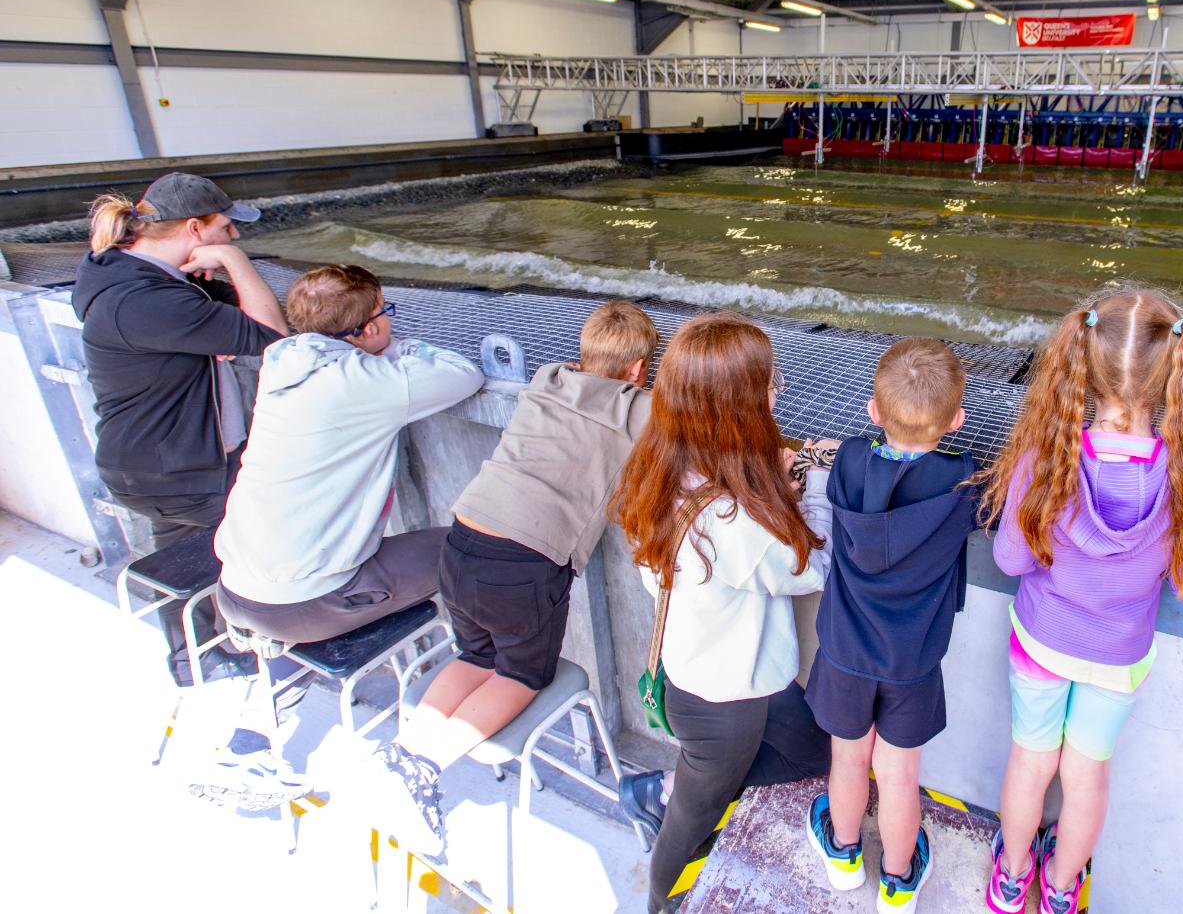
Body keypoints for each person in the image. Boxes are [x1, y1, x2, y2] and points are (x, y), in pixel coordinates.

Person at [368, 300, 658, 856]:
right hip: (524, 565)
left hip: (463, 541)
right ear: (638, 371)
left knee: (475, 657)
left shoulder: (549, 380)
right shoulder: (637, 408)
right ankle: (422, 768)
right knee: (524, 675)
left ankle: (405, 748)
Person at [973, 288, 1183, 914]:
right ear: (1177, 373)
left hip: (1041, 641)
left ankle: (1011, 878)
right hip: (1118, 657)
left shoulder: (1048, 458)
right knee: (1085, 775)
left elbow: (1010, 559)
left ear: (1082, 362)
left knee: (1031, 763)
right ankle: (1061, 890)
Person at [199, 264, 483, 804]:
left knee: (299, 590)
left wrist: (377, 348)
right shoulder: (366, 383)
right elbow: (462, 372)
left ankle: (251, 744)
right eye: (384, 314)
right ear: (369, 329)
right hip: (302, 602)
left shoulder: (281, 363)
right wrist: (395, 350)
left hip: (235, 589)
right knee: (477, 548)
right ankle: (478, 686)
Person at [611, 313, 833, 914]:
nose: (777, 391)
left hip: (718, 675)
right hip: (724, 704)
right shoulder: (731, 518)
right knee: (692, 817)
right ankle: (661, 896)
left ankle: (677, 782)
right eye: (768, 382)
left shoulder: (660, 465)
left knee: (814, 755)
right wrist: (809, 482)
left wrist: (773, 487)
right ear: (736, 405)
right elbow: (814, 569)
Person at [71, 173, 287, 685]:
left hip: (152, 462)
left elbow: (222, 316)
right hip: (179, 469)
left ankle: (196, 659)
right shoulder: (146, 299)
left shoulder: (125, 274)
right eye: (227, 228)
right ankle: (264, 648)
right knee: (263, 542)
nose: (234, 238)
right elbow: (272, 336)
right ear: (195, 228)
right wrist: (237, 265)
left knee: (184, 562)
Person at [804, 338, 977, 914]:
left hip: (846, 650)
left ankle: (845, 855)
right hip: (912, 661)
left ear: (874, 412)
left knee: (847, 760)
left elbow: (851, 462)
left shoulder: (851, 460)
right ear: (956, 421)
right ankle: (899, 882)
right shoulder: (962, 486)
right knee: (900, 779)